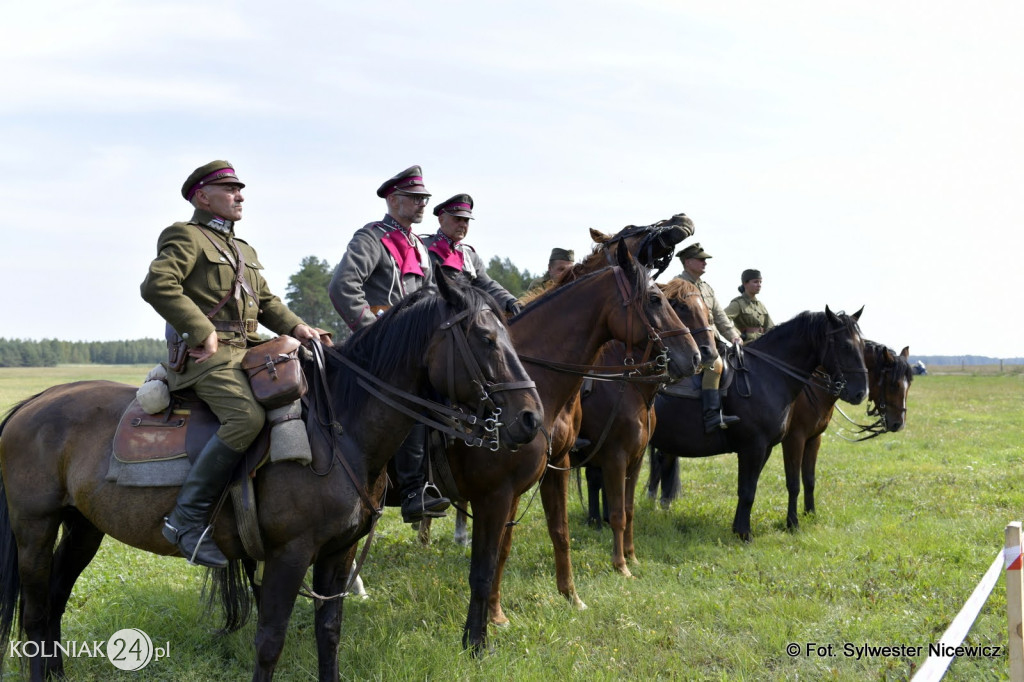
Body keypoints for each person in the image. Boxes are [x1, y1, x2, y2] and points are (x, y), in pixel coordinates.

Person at [141, 160, 319, 568]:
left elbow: (267, 302)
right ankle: (185, 520)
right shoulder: (184, 236)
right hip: (206, 356)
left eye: (241, 189)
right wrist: (199, 328)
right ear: (203, 196)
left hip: (250, 349)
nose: (240, 196)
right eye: (230, 189)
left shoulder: (244, 249)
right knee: (246, 418)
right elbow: (157, 285)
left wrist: (298, 327)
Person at [327, 165, 450, 523]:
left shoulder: (420, 247)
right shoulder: (371, 238)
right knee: (409, 401)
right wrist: (373, 331)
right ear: (393, 199)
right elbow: (342, 287)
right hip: (379, 352)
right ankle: (412, 491)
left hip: (415, 351)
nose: (422, 204)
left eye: (424, 199)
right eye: (414, 198)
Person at [675, 242, 743, 433]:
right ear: (687, 262)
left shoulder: (707, 288)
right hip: (692, 341)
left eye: (705, 260)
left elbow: (720, 317)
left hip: (712, 339)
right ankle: (711, 415)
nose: (705, 263)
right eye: (701, 260)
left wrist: (734, 336)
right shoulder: (678, 285)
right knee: (715, 366)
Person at [420, 193, 521, 315]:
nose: (463, 225)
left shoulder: (470, 257)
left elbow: (487, 285)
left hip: (462, 318)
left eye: (466, 220)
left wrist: (509, 300)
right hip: (430, 316)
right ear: (441, 219)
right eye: (457, 219)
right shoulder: (422, 247)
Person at [725, 269, 775, 343]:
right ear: (745, 284)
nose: (759, 285)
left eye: (760, 282)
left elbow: (770, 327)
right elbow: (723, 319)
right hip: (747, 345)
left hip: (763, 343)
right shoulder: (738, 303)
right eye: (755, 282)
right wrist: (738, 335)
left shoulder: (761, 305)